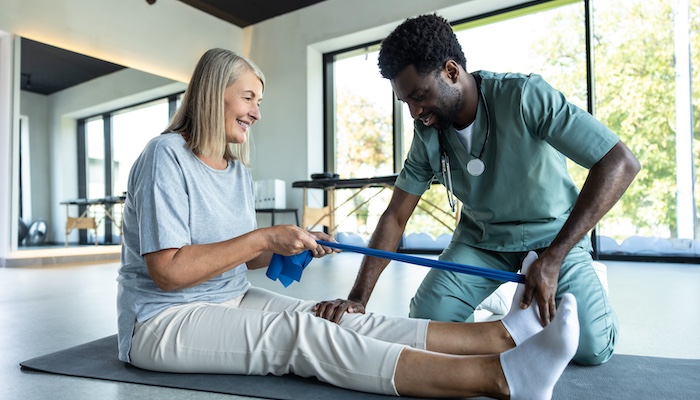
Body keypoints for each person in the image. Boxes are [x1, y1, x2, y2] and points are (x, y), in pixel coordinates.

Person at [117, 47, 581, 399]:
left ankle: (501, 335)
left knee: (333, 317)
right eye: (248, 97)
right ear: (209, 93)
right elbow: (169, 271)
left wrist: (285, 245)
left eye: (259, 100)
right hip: (161, 321)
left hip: (229, 297)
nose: (257, 111)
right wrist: (264, 236)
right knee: (304, 335)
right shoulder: (166, 156)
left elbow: (244, 256)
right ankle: (501, 378)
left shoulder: (235, 170)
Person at [313, 14, 641, 367]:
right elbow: (395, 215)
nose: (414, 112)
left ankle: (577, 284)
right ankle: (507, 307)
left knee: (591, 348)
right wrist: (358, 299)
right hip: (482, 241)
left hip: (554, 236)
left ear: (452, 72)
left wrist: (555, 257)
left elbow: (619, 162)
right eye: (405, 102)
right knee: (427, 319)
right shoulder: (428, 134)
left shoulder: (524, 95)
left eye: (420, 96)